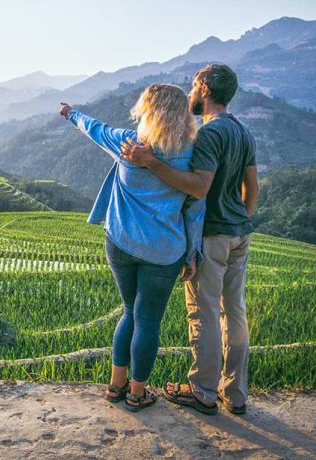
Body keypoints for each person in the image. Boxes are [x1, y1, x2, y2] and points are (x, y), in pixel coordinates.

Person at [121, 64, 259, 415]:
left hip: (213, 234)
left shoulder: (210, 135)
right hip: (239, 234)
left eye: (194, 86)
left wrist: (151, 163)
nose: (191, 94)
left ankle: (202, 391)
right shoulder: (244, 133)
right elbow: (252, 187)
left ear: (204, 87)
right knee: (235, 312)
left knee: (205, 313)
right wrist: (241, 218)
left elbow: (199, 187)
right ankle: (236, 393)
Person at [60, 84, 205, 412]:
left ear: (148, 110)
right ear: (181, 115)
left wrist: (71, 114)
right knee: (148, 320)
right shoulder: (190, 153)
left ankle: (115, 386)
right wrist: (193, 251)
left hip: (121, 243)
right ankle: (138, 394)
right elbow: (196, 207)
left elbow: (94, 129)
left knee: (129, 312)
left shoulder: (128, 142)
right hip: (163, 251)